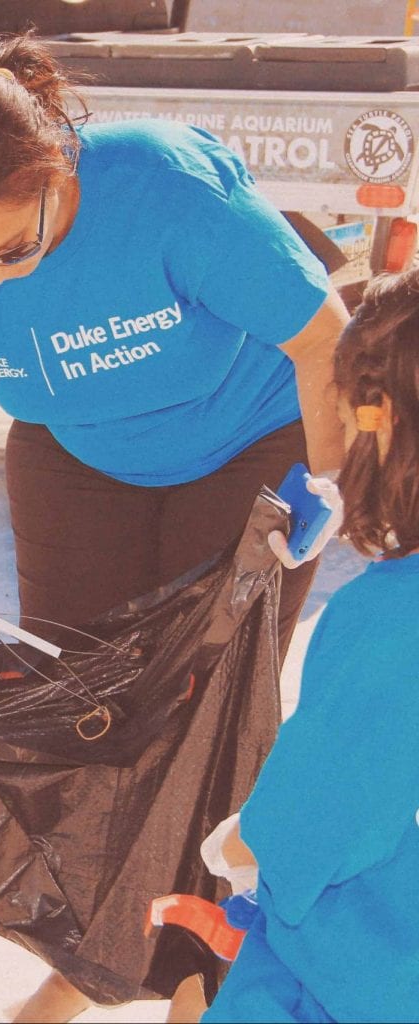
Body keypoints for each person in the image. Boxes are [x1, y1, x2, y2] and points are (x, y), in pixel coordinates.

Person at [0, 31, 348, 1024]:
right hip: (78, 459)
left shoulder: (162, 190)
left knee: (202, 727)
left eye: (13, 248)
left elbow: (321, 335)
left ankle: (193, 992)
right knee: (89, 724)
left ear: (54, 173)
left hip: (243, 443)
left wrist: (324, 478)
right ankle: (95, 965)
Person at [199, 269, 419, 1023]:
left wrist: (242, 846)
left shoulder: (392, 616)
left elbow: (325, 815)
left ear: (383, 416)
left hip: (366, 971)